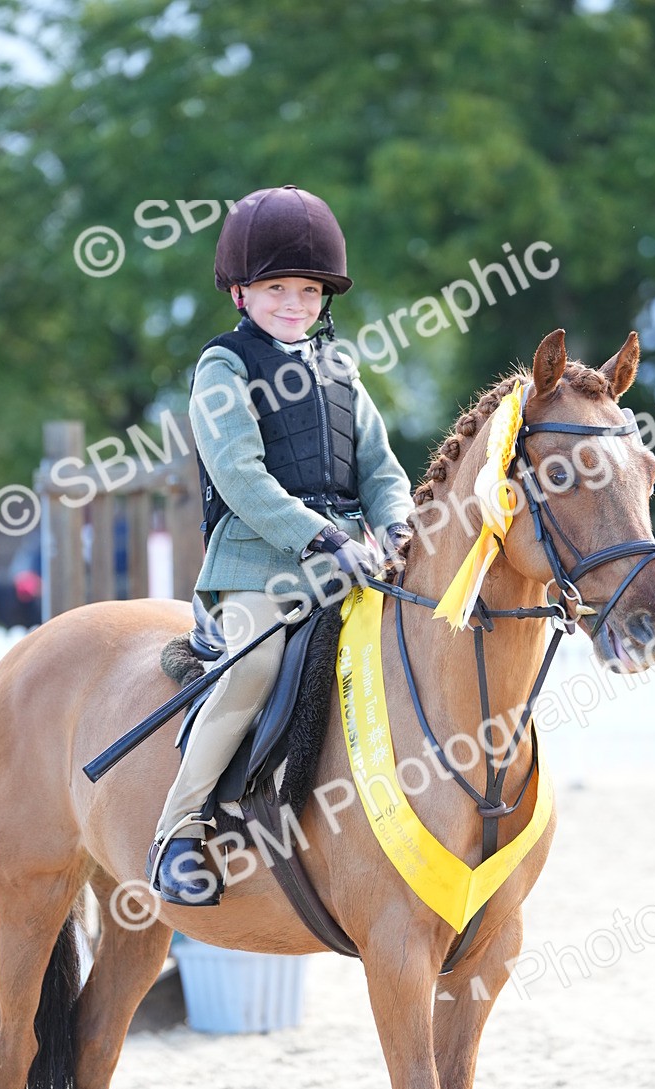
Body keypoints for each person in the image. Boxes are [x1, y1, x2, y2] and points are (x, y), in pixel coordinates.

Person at [146, 185, 413, 905]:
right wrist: (319, 536)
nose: (295, 303)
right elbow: (239, 475)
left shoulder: (341, 369)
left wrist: (395, 525)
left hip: (351, 560)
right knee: (254, 666)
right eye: (276, 289)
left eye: (308, 290)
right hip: (257, 564)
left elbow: (381, 470)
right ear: (241, 292)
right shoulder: (224, 366)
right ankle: (179, 831)